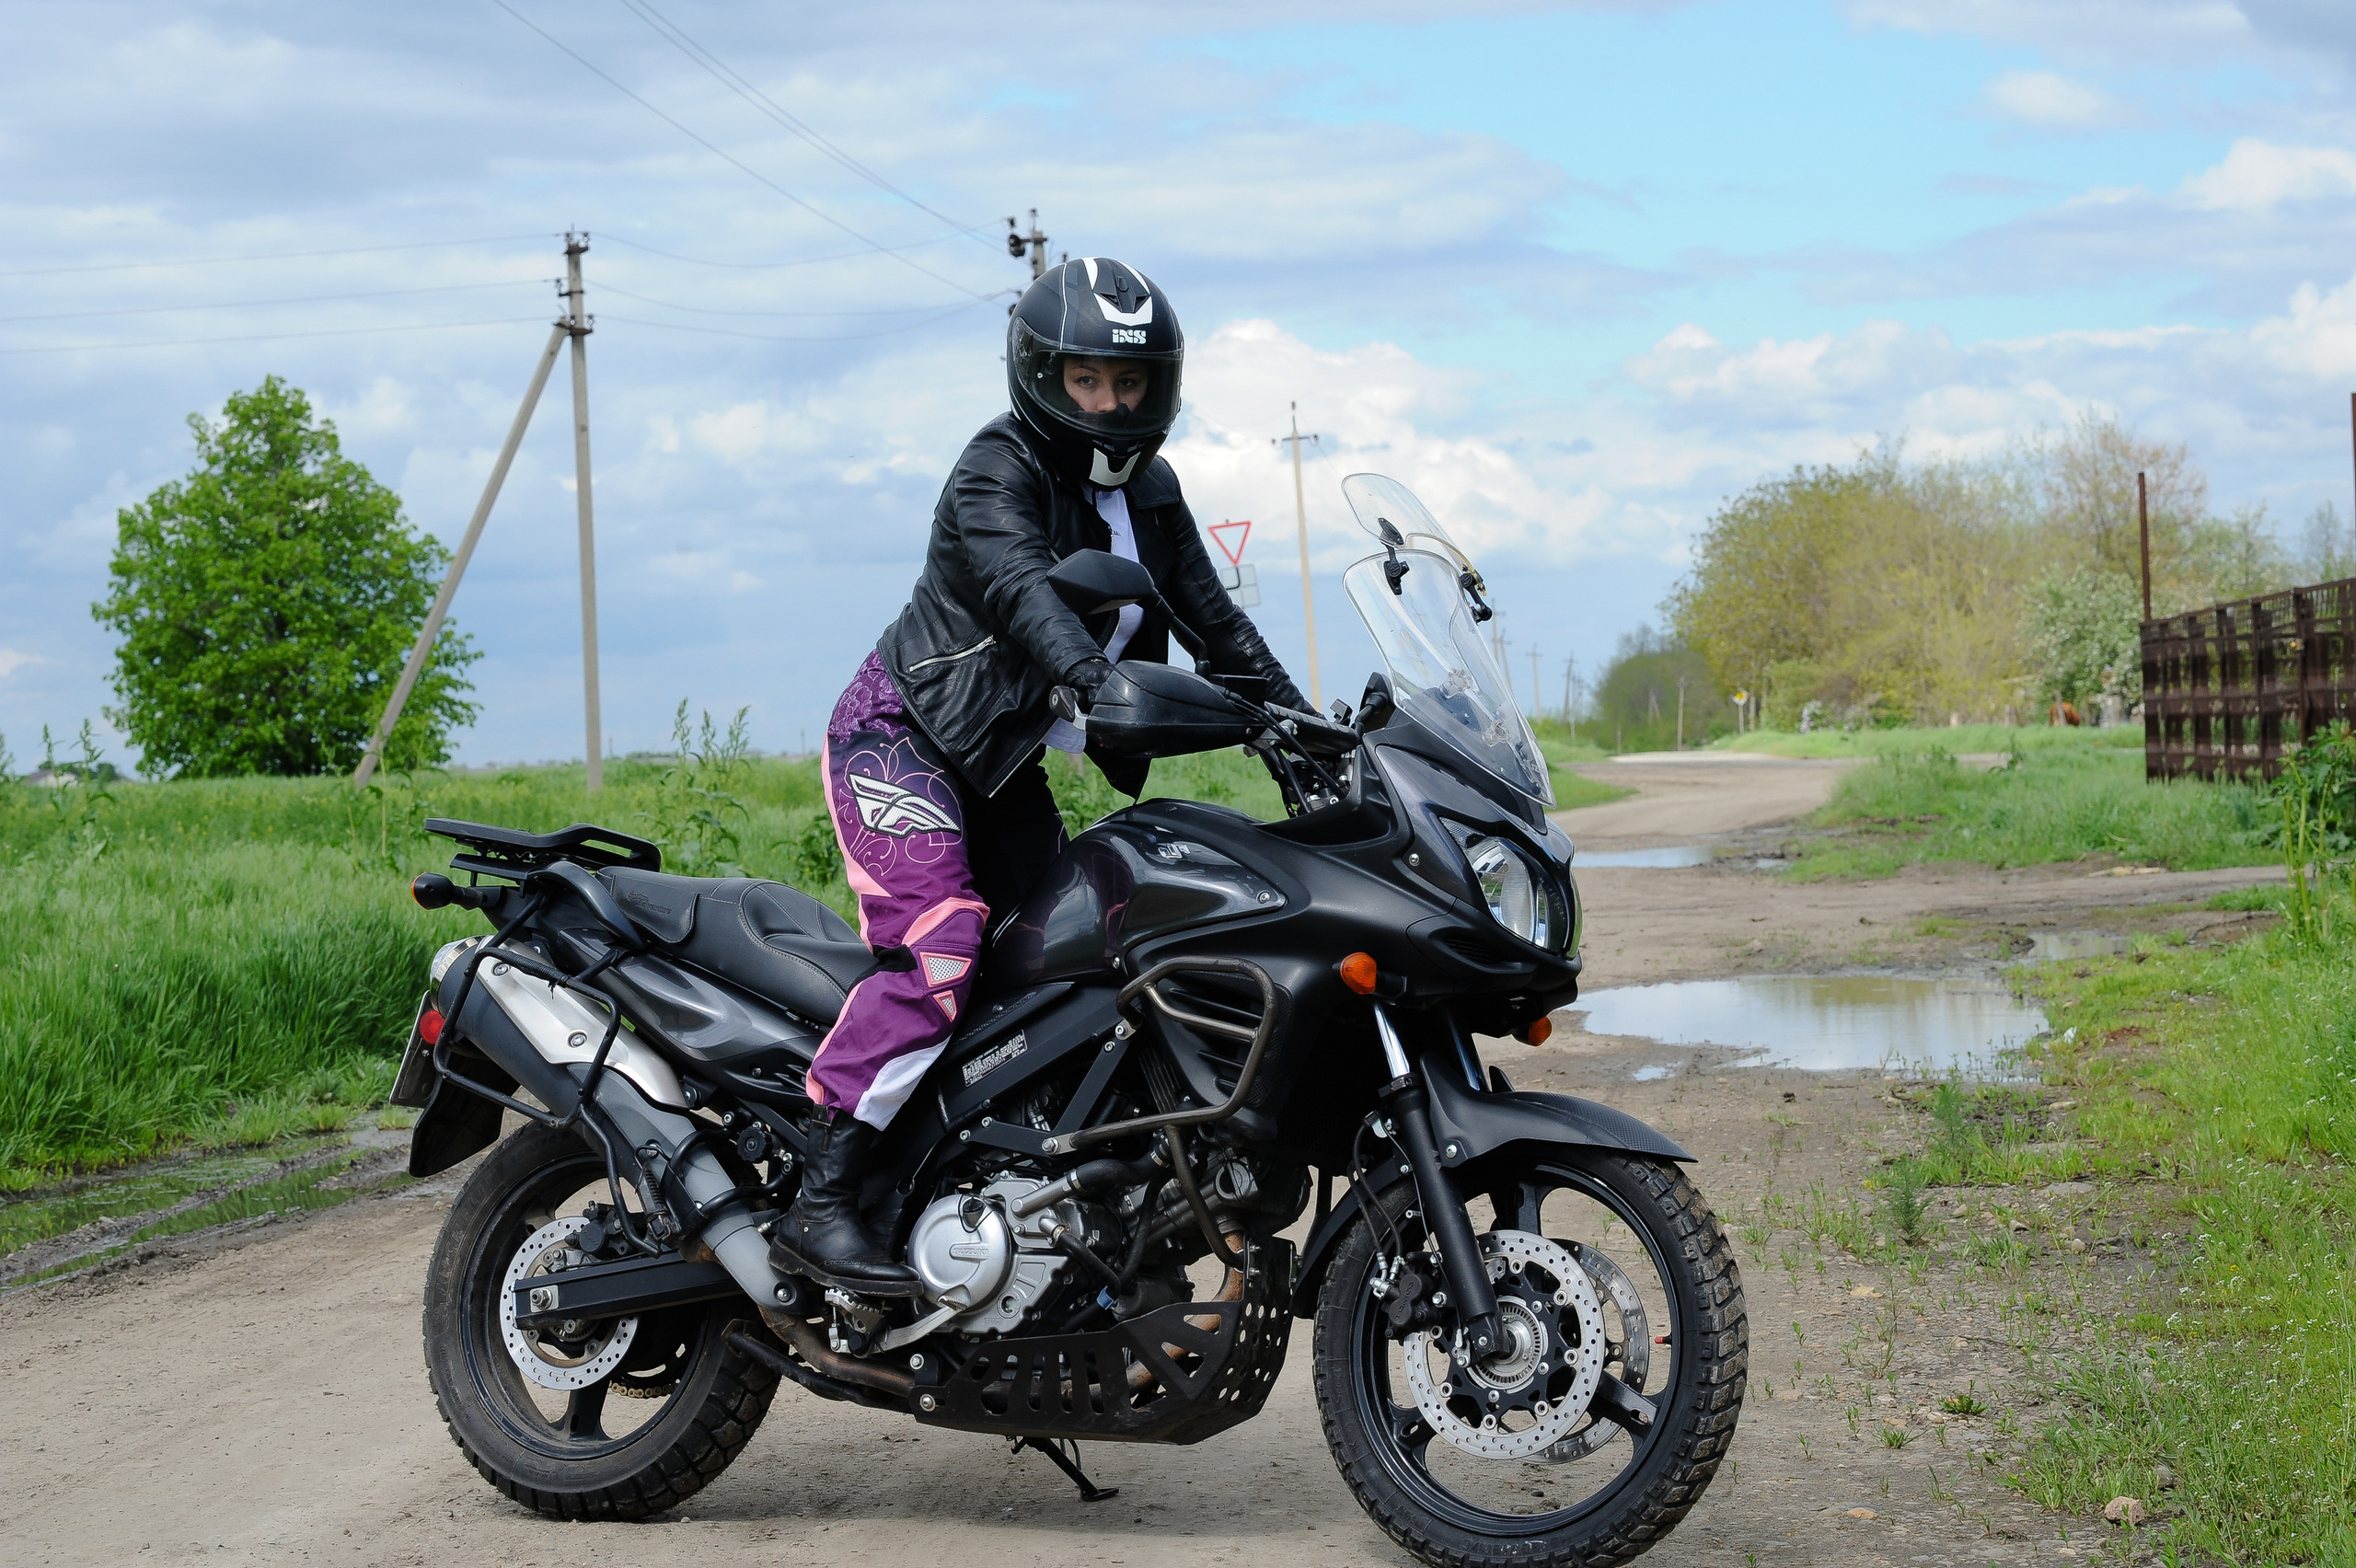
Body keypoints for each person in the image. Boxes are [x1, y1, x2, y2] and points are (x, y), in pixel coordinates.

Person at [769, 258, 1308, 1295]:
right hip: (906, 738)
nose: (1110, 404)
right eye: (1086, 381)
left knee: (1068, 971)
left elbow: (1214, 620)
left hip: (1000, 759)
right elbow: (1023, 591)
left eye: (1130, 383)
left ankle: (986, 1190)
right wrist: (1095, 681)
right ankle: (821, 1197)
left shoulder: (1151, 490)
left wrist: (1305, 733)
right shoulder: (994, 468)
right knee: (943, 950)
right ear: (1040, 375)